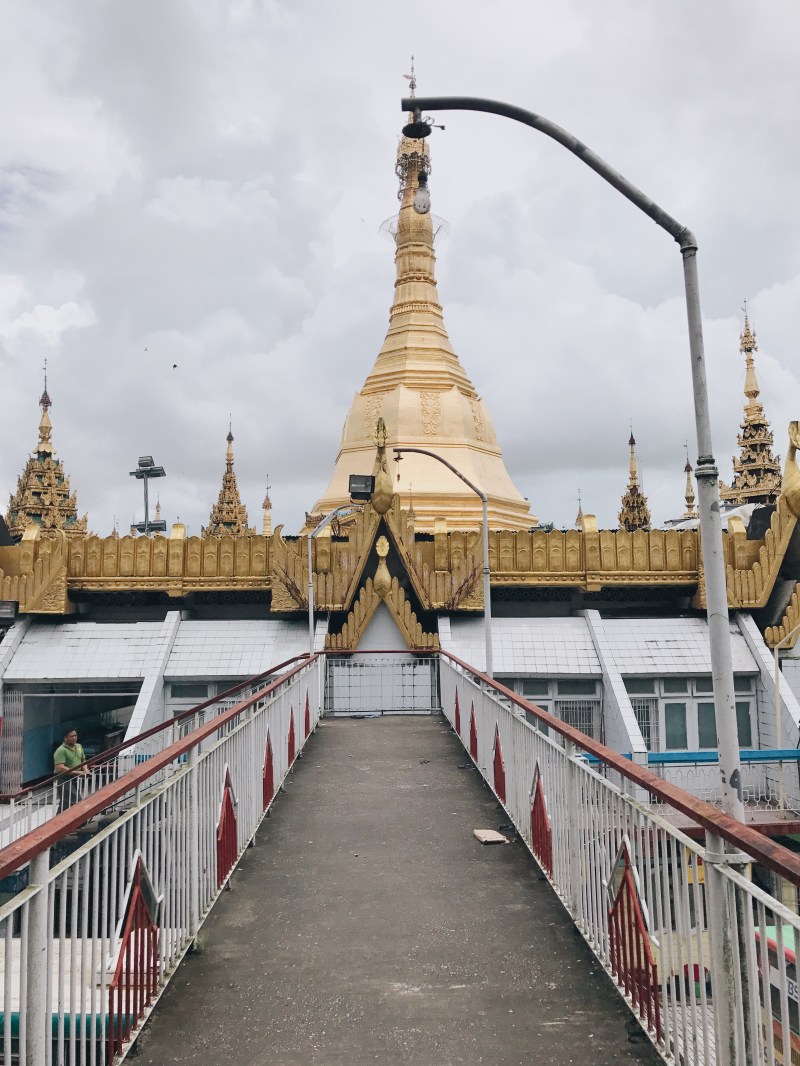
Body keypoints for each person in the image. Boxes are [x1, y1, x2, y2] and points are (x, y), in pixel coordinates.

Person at [53, 728, 89, 811]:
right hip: (63, 778)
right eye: (71, 736)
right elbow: (59, 767)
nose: (74, 738)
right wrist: (77, 772)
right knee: (75, 799)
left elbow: (83, 760)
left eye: (75, 735)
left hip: (74, 778)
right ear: (65, 738)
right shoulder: (61, 750)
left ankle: (60, 818)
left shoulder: (79, 746)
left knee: (66, 802)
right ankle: (81, 817)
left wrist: (85, 769)